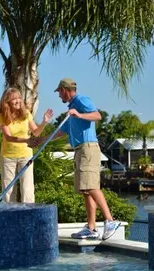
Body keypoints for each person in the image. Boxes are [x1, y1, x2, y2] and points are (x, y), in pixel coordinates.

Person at [51, 78, 120, 240]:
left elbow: (97, 115)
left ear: (64, 90)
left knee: (91, 186)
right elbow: (61, 132)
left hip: (88, 147)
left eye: (59, 92)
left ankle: (110, 221)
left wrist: (79, 114)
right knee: (85, 190)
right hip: (79, 150)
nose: (59, 96)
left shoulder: (81, 100)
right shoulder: (71, 109)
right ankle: (91, 227)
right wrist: (41, 140)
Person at [0, 87, 53, 203]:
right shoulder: (2, 116)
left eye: (19, 98)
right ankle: (9, 214)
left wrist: (44, 122)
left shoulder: (26, 114)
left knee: (27, 188)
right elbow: (8, 137)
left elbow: (36, 132)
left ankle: (29, 214)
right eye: (14, 99)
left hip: (25, 155)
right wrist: (26, 141)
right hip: (8, 156)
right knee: (8, 189)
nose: (18, 101)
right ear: (7, 102)